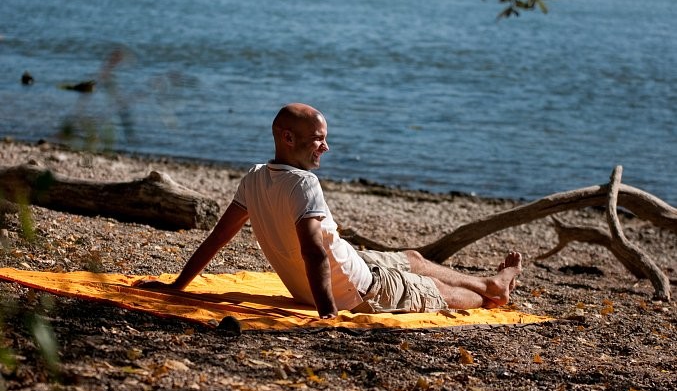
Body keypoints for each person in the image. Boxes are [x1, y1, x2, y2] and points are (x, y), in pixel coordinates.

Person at [136, 103, 522, 318]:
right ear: (288, 138)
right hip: (360, 293)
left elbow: (218, 239)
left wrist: (176, 286)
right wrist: (327, 315)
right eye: (319, 140)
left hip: (352, 267)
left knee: (413, 258)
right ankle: (492, 293)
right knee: (436, 292)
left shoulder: (254, 178)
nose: (325, 148)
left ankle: (491, 282)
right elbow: (313, 251)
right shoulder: (304, 184)